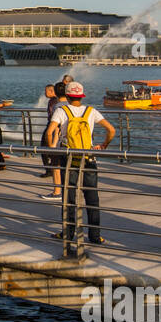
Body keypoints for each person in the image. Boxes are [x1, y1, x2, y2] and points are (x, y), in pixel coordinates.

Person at [46, 81, 115, 254]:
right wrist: (103, 145)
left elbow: (49, 132)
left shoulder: (61, 110)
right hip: (89, 158)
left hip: (69, 159)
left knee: (69, 199)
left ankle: (68, 234)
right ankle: (95, 236)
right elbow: (111, 130)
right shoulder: (91, 111)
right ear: (82, 96)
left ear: (68, 96)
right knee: (92, 198)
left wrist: (51, 150)